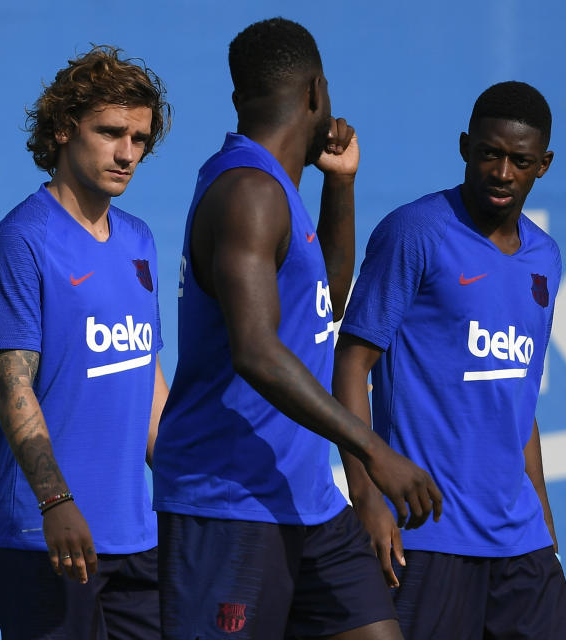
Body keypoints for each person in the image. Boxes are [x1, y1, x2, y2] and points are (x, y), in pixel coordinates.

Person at [151, 17, 441, 640]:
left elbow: (325, 301)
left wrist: (340, 186)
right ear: (317, 92)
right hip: (227, 502)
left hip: (305, 499)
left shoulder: (280, 189)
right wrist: (374, 451)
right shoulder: (248, 192)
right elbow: (257, 352)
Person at [332, 81, 566, 638]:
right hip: (427, 536)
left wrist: (542, 517)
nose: (501, 172)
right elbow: (351, 363)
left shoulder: (546, 257)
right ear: (465, 146)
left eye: (519, 160)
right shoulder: (415, 232)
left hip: (522, 544)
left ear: (543, 165)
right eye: (490, 153)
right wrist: (367, 497)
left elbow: (518, 402)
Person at [0, 45, 171, 639]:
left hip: (136, 535)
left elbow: (148, 381)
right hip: (45, 534)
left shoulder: (138, 238)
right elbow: (12, 388)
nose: (127, 153)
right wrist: (55, 502)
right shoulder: (21, 241)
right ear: (63, 129)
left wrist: (188, 488)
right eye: (111, 133)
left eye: (139, 138)